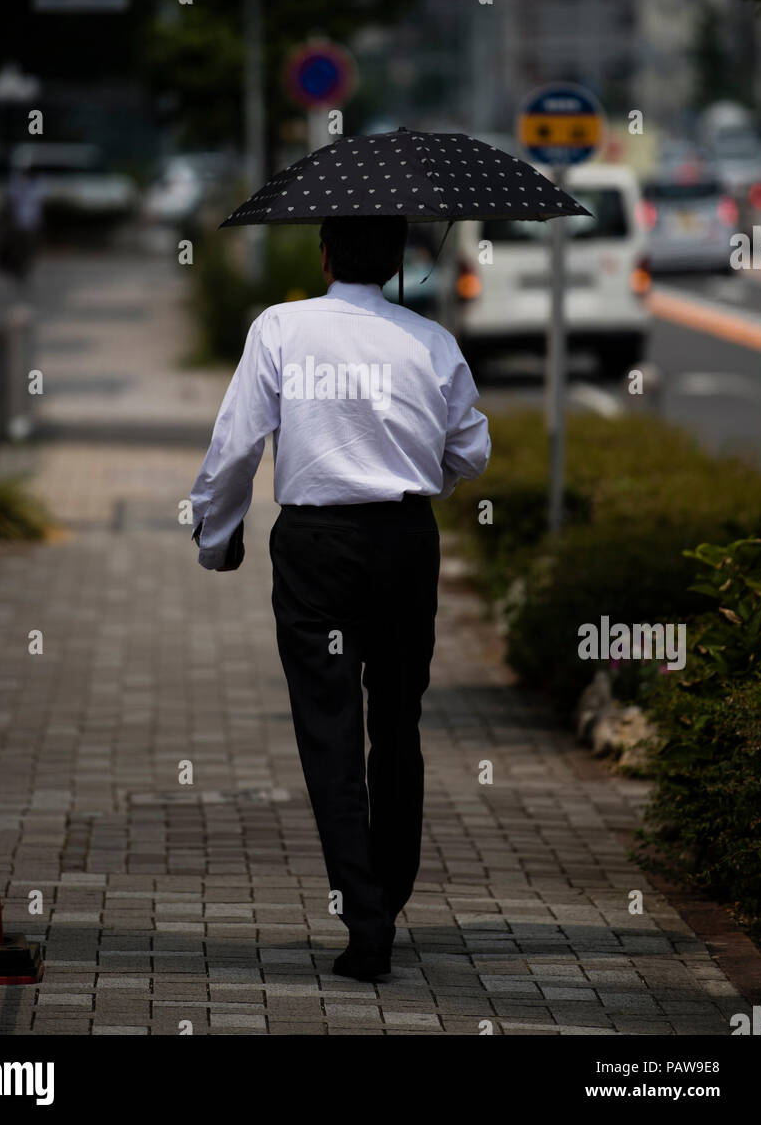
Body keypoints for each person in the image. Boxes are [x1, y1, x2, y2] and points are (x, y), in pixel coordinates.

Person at [190, 215, 491, 981]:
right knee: (396, 720)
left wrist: (216, 535)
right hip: (404, 542)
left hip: (315, 547)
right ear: (397, 263)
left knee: (329, 729)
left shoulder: (281, 327)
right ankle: (388, 895)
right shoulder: (430, 342)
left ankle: (363, 920)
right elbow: (470, 451)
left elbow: (236, 444)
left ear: (324, 255)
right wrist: (421, 469)